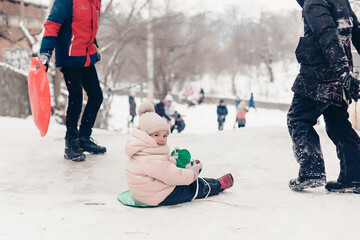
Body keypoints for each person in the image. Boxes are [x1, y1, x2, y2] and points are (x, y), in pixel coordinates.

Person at [288, 0, 360, 193]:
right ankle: (354, 176)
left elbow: (327, 36)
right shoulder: (341, 1)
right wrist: (344, 73)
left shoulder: (314, 2)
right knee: (338, 123)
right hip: (338, 75)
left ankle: (312, 171)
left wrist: (343, 72)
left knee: (298, 118)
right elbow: (357, 33)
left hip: (317, 75)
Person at [125, 102, 234, 206]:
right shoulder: (150, 159)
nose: (162, 139)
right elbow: (171, 175)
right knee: (192, 186)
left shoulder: (140, 149)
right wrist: (192, 173)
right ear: (145, 134)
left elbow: (160, 167)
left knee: (184, 177)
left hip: (144, 193)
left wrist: (173, 160)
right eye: (157, 134)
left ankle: (188, 171)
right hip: (157, 196)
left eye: (164, 136)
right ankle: (218, 185)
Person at [38, 0, 106, 162]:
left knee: (96, 96)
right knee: (76, 97)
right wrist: (45, 53)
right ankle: (71, 142)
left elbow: (89, 28)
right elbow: (52, 25)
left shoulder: (95, 2)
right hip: (69, 57)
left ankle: (83, 138)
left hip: (86, 56)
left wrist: (94, 48)